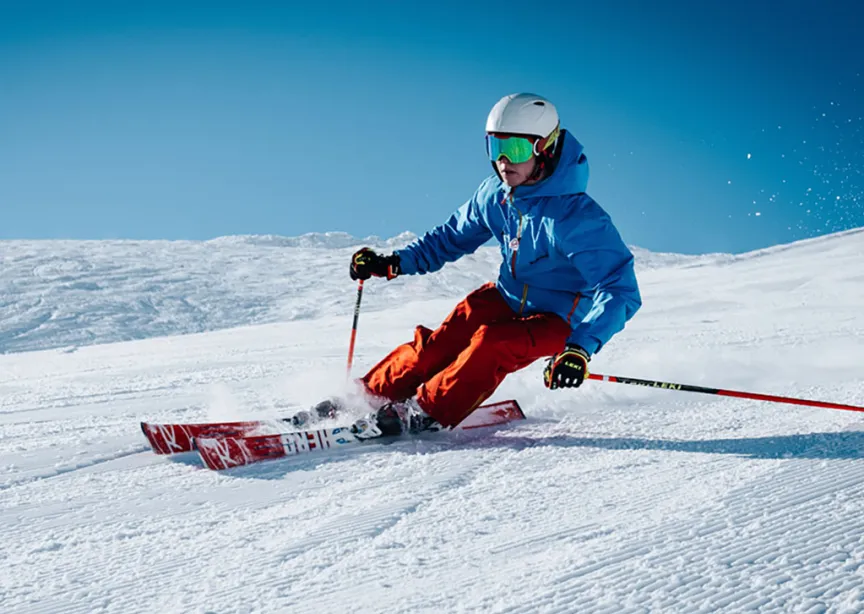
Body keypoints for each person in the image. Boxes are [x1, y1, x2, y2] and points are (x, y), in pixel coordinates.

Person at [337, 93, 642, 439]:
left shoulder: (577, 218)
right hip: (506, 296)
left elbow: (619, 289)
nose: (502, 161)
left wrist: (580, 348)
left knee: (492, 342)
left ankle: (424, 412)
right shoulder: (495, 195)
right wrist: (392, 263)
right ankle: (368, 396)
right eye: (494, 147)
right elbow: (449, 238)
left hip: (558, 319)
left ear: (545, 148)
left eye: (514, 149)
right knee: (441, 343)